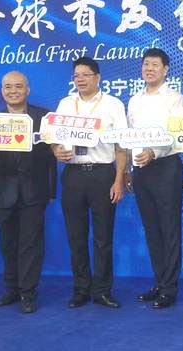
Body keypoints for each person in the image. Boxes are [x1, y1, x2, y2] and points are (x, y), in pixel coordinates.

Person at [0, 71, 56, 313]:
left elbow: (52, 157)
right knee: (7, 243)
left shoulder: (43, 117)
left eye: (18, 86)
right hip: (4, 191)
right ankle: (12, 289)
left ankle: (28, 293)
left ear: (27, 90)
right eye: (8, 87)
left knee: (31, 244)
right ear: (2, 91)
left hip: (35, 191)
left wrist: (52, 190)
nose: (13, 91)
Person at [52, 58, 128, 309]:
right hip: (73, 174)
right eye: (77, 75)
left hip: (102, 174)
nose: (81, 79)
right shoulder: (65, 104)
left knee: (103, 237)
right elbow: (54, 137)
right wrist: (56, 150)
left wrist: (119, 179)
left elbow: (121, 146)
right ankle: (81, 289)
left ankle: (102, 290)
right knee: (76, 236)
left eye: (86, 74)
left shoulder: (113, 105)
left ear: (98, 77)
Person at [126, 48, 183, 309]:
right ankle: (160, 282)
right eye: (145, 64)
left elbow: (176, 134)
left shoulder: (175, 99)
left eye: (154, 65)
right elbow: (130, 135)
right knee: (151, 228)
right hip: (141, 168)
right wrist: (130, 168)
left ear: (165, 69)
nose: (149, 69)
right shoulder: (134, 100)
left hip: (165, 166)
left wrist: (154, 151)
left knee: (169, 228)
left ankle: (170, 288)